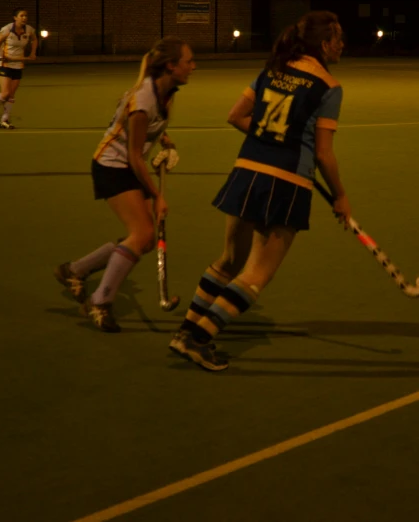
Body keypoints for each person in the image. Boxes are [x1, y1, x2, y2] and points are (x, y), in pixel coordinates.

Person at [169, 11, 350, 371]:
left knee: (228, 261)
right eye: (338, 38)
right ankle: (201, 339)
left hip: (246, 171)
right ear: (325, 43)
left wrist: (270, 138)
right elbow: (324, 154)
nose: (342, 45)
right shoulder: (328, 87)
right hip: (285, 183)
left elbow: (236, 116)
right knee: (256, 274)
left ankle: (185, 330)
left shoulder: (273, 70)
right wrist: (341, 196)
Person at [54, 36, 194, 332]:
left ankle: (74, 270)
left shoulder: (168, 92)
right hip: (112, 166)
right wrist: (157, 195)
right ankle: (99, 301)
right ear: (171, 65)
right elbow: (133, 155)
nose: (193, 66)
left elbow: (145, 136)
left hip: (130, 164)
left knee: (143, 240)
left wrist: (163, 139)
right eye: (188, 61)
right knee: (143, 233)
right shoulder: (143, 100)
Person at [0, 7, 37, 129]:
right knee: (5, 93)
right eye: (22, 15)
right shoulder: (7, 30)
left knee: (11, 95)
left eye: (26, 16)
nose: (24, 18)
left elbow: (34, 40)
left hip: (18, 64)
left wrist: (33, 53)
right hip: (4, 64)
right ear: (15, 18)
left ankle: (5, 120)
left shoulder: (29, 30)